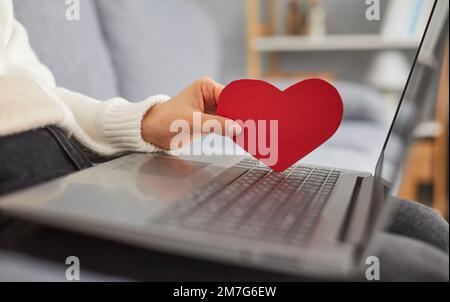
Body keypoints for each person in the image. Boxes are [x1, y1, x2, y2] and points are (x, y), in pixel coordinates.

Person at [0, 0, 448, 281]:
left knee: (419, 223)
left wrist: (144, 120)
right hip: (16, 186)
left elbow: (37, 87)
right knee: (413, 269)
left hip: (80, 158)